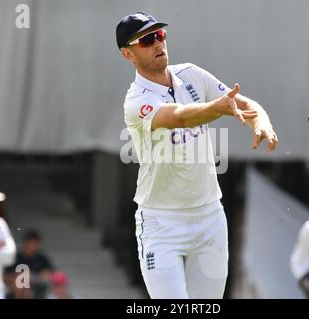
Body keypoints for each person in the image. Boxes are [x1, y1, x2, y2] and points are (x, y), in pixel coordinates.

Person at [117, 12, 278, 298]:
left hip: (209, 219)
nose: (157, 44)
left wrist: (261, 121)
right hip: (161, 225)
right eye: (146, 40)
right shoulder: (137, 100)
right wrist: (217, 108)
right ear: (127, 54)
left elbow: (242, 102)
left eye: (160, 35)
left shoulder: (190, 74)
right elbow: (179, 117)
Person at [5, 229, 54, 299]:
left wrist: (31, 277)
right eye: (30, 243)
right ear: (25, 243)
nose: (32, 246)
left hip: (36, 289)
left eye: (34, 244)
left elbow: (49, 274)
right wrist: (18, 278)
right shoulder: (16, 258)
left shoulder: (42, 259)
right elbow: (4, 275)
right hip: (15, 289)